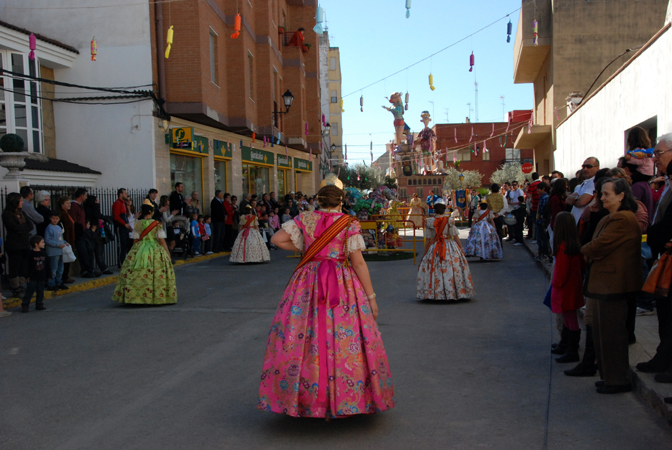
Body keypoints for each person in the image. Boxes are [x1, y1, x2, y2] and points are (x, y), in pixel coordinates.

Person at [259, 174, 394, 418]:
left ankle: (303, 398)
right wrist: (371, 298)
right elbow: (359, 263)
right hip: (341, 283)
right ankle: (346, 397)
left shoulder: (305, 218)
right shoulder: (348, 223)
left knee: (302, 332)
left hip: (307, 281)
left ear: (318, 199)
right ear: (341, 201)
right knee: (345, 336)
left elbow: (277, 239)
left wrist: (306, 247)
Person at [581, 178, 642, 394]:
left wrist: (586, 250)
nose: (603, 198)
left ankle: (617, 380)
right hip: (605, 285)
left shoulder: (622, 219)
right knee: (602, 333)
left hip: (614, 286)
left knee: (612, 335)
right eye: (601, 194)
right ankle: (609, 377)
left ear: (621, 195)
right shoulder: (613, 217)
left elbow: (597, 245)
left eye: (607, 194)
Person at [637, 134, 672, 379]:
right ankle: (663, 357)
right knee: (665, 312)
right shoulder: (666, 182)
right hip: (663, 254)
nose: (654, 159)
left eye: (658, 153)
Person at [113, 204, 177, 305]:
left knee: (135, 271)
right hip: (154, 249)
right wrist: (168, 255)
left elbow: (135, 240)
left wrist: (133, 252)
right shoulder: (157, 224)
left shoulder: (138, 224)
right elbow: (161, 241)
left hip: (139, 248)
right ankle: (156, 296)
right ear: (152, 212)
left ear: (142, 212)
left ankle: (135, 296)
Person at [417, 198, 474, 300]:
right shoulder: (449, 221)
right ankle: (453, 292)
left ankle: (435, 293)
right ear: (444, 209)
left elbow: (428, 239)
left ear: (434, 209)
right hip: (449, 246)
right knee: (452, 269)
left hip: (435, 247)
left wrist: (426, 251)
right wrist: (461, 248)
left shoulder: (429, 222)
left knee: (435, 270)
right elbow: (455, 235)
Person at [549, 212, 585, 364]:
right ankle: (567, 345)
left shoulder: (564, 248)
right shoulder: (575, 245)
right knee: (569, 317)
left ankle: (571, 349)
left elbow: (562, 272)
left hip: (565, 288)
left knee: (570, 318)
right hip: (573, 286)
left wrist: (556, 284)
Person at [3, 192, 33, 297]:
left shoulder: (22, 213)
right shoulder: (7, 214)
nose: (22, 203)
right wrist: (23, 229)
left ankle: (21, 286)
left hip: (24, 243)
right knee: (14, 266)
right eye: (20, 201)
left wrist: (22, 229)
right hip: (14, 244)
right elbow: (14, 228)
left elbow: (30, 225)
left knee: (23, 266)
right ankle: (15, 288)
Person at [70, 188, 97, 277]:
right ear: (81, 195)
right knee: (83, 252)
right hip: (79, 233)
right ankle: (85, 270)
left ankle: (90, 269)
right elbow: (74, 220)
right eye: (85, 195)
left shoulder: (80, 206)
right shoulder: (74, 206)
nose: (86, 197)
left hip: (84, 231)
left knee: (88, 251)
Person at [21, 235, 50, 313]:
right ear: (36, 244)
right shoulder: (30, 254)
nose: (44, 244)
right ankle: (25, 305)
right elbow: (26, 266)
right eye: (42, 242)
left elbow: (47, 265)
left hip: (41, 275)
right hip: (32, 276)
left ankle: (39, 304)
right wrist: (26, 275)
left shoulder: (44, 253)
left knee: (40, 291)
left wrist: (49, 275)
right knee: (30, 291)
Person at [567, 157, 599, 223]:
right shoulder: (585, 183)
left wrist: (575, 198)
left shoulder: (594, 183)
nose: (585, 169)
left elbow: (581, 202)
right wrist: (577, 198)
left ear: (597, 168)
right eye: (583, 166)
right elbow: (568, 200)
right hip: (575, 222)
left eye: (589, 166)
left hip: (583, 222)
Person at [44, 210, 69, 292]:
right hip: (53, 252)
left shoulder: (58, 227)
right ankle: (51, 283)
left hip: (60, 250)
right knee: (53, 268)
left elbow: (60, 238)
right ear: (50, 218)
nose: (55, 220)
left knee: (60, 268)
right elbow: (47, 240)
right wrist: (57, 245)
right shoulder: (49, 228)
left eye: (57, 218)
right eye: (53, 218)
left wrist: (64, 242)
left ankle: (59, 281)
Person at [58, 196, 76, 284]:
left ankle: (65, 276)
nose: (69, 205)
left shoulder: (66, 213)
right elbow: (66, 229)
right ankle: (64, 276)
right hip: (66, 239)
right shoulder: (63, 214)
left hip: (69, 238)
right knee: (65, 258)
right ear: (62, 205)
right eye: (67, 203)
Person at [112, 188, 132, 266]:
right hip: (120, 227)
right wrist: (124, 224)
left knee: (126, 244)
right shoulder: (117, 204)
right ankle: (121, 262)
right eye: (125, 193)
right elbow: (116, 217)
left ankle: (125, 261)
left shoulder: (123, 203)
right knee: (121, 244)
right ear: (121, 194)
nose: (126, 195)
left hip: (125, 227)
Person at [535, 182, 551, 261]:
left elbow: (544, 209)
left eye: (538, 188)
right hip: (539, 220)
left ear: (543, 189)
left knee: (543, 238)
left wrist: (540, 216)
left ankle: (544, 254)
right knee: (539, 238)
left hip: (542, 221)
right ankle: (541, 253)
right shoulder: (542, 196)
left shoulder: (545, 197)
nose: (537, 190)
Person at [527, 173, 541, 239]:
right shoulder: (542, 184)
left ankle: (536, 237)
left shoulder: (532, 185)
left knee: (536, 223)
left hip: (535, 207)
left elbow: (529, 195)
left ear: (532, 178)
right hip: (542, 206)